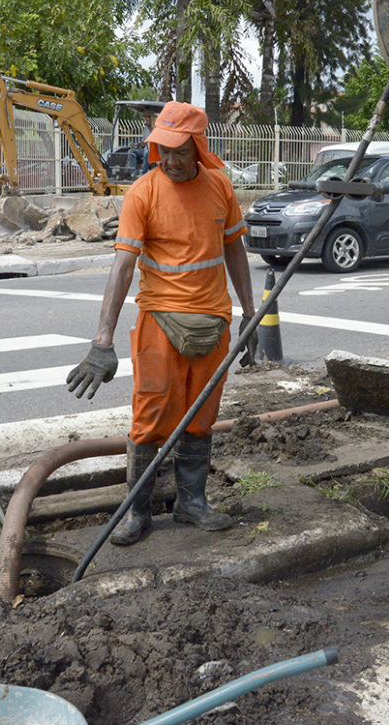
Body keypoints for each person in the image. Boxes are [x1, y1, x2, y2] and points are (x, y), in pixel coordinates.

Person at [66, 101, 258, 546]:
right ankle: (138, 512)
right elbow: (122, 266)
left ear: (199, 147)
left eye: (178, 151)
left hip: (213, 321)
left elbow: (235, 252)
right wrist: (102, 340)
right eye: (162, 150)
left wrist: (251, 314)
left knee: (200, 417)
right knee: (149, 419)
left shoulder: (221, 189)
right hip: (160, 322)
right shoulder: (143, 193)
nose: (169, 160)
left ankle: (192, 503)